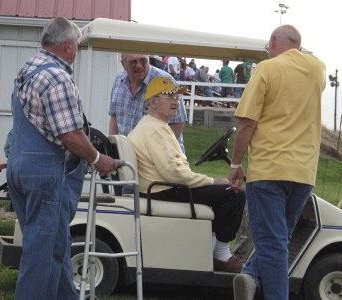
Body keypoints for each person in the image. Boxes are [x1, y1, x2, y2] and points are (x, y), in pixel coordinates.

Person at [7, 17, 117, 300]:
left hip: (20, 168)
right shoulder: (57, 77)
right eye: (77, 46)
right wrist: (97, 159)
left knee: (55, 245)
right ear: (68, 44)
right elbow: (70, 135)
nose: (77, 52)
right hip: (45, 174)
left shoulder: (27, 69)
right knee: (42, 253)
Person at [228, 25, 326, 299]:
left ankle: (266, 288)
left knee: (272, 245)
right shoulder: (318, 69)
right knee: (279, 240)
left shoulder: (266, 69)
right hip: (304, 172)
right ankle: (249, 274)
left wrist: (235, 164)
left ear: (272, 42)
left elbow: (247, 122)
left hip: (269, 169)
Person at [128, 77, 246, 273]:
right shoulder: (154, 130)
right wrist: (213, 180)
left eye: (177, 96)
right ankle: (221, 254)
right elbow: (173, 173)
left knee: (222, 192)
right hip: (163, 189)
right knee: (233, 194)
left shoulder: (155, 126)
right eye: (169, 97)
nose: (175, 101)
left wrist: (210, 182)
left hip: (162, 187)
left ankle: (211, 249)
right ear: (153, 102)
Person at [109, 53, 187, 153]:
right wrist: (113, 147)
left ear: (148, 59)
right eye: (133, 62)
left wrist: (156, 151)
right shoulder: (118, 80)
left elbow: (178, 122)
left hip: (159, 158)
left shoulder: (165, 81)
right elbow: (114, 116)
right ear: (123, 64)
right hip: (125, 156)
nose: (138, 65)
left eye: (143, 60)